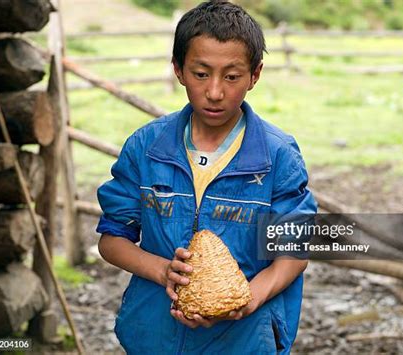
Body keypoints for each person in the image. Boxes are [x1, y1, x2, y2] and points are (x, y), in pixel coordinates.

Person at [96, 1, 317, 354]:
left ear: (255, 75)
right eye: (201, 74)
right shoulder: (146, 147)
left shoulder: (277, 156)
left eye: (231, 76)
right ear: (178, 70)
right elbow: (112, 240)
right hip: (155, 336)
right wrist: (162, 270)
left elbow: (295, 250)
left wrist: (249, 298)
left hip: (243, 340)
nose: (215, 92)